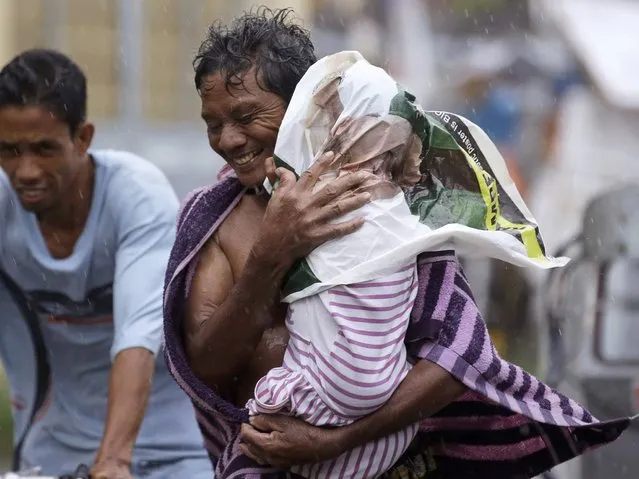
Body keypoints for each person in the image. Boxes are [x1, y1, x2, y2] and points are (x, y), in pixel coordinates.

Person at [162, 7, 632, 479]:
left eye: (246, 116)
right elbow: (205, 368)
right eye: (212, 124)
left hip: (394, 463)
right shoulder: (214, 221)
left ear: (305, 104)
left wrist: (333, 442)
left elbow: (458, 357)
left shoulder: (387, 206)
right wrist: (272, 253)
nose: (228, 140)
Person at [0, 49, 213, 478]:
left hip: (173, 448)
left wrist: (114, 462)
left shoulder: (136, 196)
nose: (25, 171)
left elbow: (136, 333)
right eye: (8, 150)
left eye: (44, 149)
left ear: (83, 138)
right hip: (54, 450)